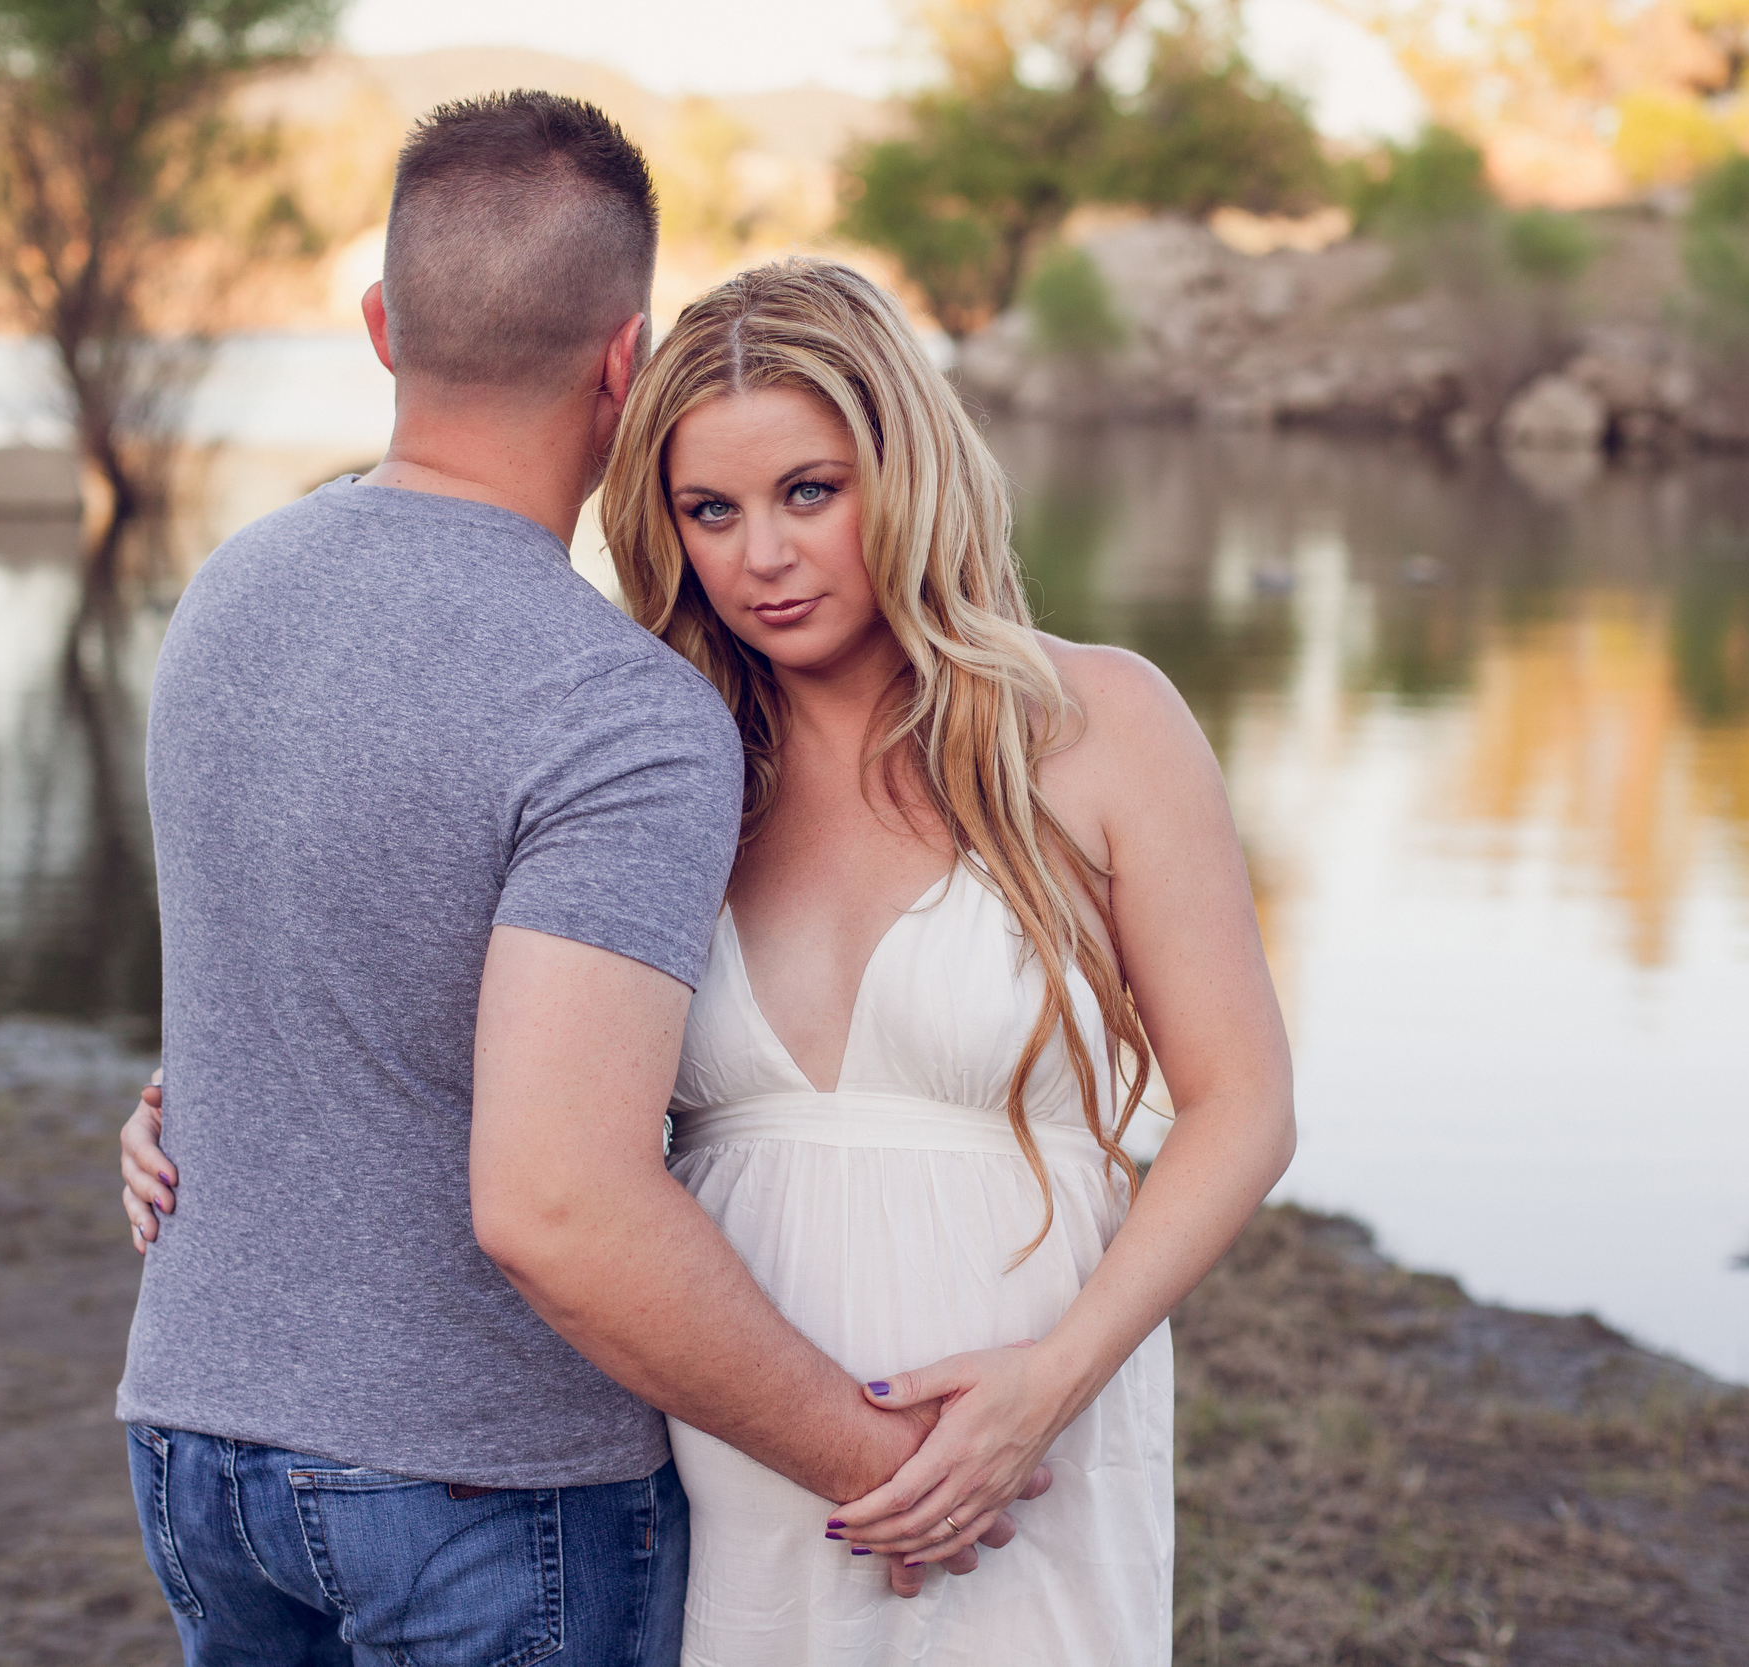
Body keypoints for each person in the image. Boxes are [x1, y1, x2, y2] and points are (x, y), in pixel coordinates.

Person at [128, 253, 1296, 1662]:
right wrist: (197, 1105)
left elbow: (1241, 1107)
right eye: (710, 509)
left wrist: (1052, 1383)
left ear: (906, 470)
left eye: (811, 491)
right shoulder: (663, 760)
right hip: (729, 1437)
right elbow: (463, 1038)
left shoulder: (1097, 722)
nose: (762, 556)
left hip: (1019, 1422)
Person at [113, 94, 1019, 1667]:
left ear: (383, 328)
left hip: (196, 1450)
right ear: (627, 361)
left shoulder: (227, 593)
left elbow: (304, 978)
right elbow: (555, 1203)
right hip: (477, 1492)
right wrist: (879, 1466)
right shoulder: (613, 709)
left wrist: (174, 1106)